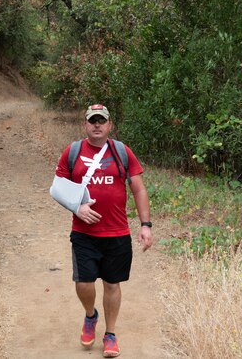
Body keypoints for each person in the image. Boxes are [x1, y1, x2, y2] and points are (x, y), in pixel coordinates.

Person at [52, 103, 153, 358]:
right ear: (85, 124)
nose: (97, 124)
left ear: (110, 125)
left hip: (117, 233)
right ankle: (90, 315)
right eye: (92, 120)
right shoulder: (72, 152)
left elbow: (138, 189)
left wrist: (145, 225)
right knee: (84, 283)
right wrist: (77, 208)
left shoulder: (122, 152)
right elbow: (57, 188)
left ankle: (110, 333)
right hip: (84, 234)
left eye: (102, 120)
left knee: (112, 283)